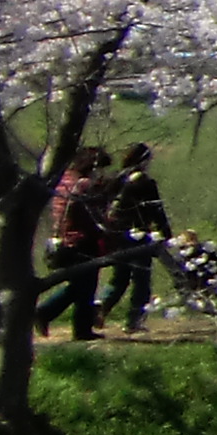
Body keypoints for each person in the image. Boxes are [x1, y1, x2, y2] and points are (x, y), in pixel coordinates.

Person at [100, 143, 170, 333]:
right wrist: (165, 233)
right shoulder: (145, 183)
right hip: (138, 235)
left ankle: (100, 308)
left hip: (116, 235)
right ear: (144, 160)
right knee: (141, 279)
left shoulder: (114, 179)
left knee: (118, 278)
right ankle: (133, 320)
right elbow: (156, 209)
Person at [47, 148, 115, 338]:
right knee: (86, 285)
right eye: (101, 168)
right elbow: (93, 214)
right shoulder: (84, 185)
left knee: (79, 284)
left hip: (65, 238)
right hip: (82, 239)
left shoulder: (64, 181)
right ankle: (79, 329)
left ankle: (47, 314)